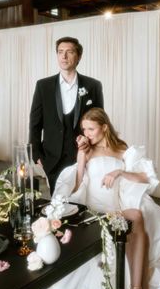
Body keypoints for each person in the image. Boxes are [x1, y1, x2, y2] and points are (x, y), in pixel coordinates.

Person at [32, 108, 160, 289]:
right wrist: (80, 157)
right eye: (84, 130)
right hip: (94, 213)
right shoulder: (86, 151)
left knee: (137, 217)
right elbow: (77, 187)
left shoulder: (122, 149)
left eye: (91, 129)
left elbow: (146, 178)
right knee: (136, 221)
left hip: (116, 209)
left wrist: (120, 172)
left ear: (104, 127)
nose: (86, 134)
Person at [28, 37, 104, 194]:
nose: (64, 56)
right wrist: (36, 155)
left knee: (82, 201)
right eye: (60, 52)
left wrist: (94, 150)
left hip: (84, 156)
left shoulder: (93, 86)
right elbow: (35, 123)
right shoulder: (43, 86)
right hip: (52, 159)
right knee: (59, 205)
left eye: (69, 52)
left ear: (79, 57)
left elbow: (99, 124)